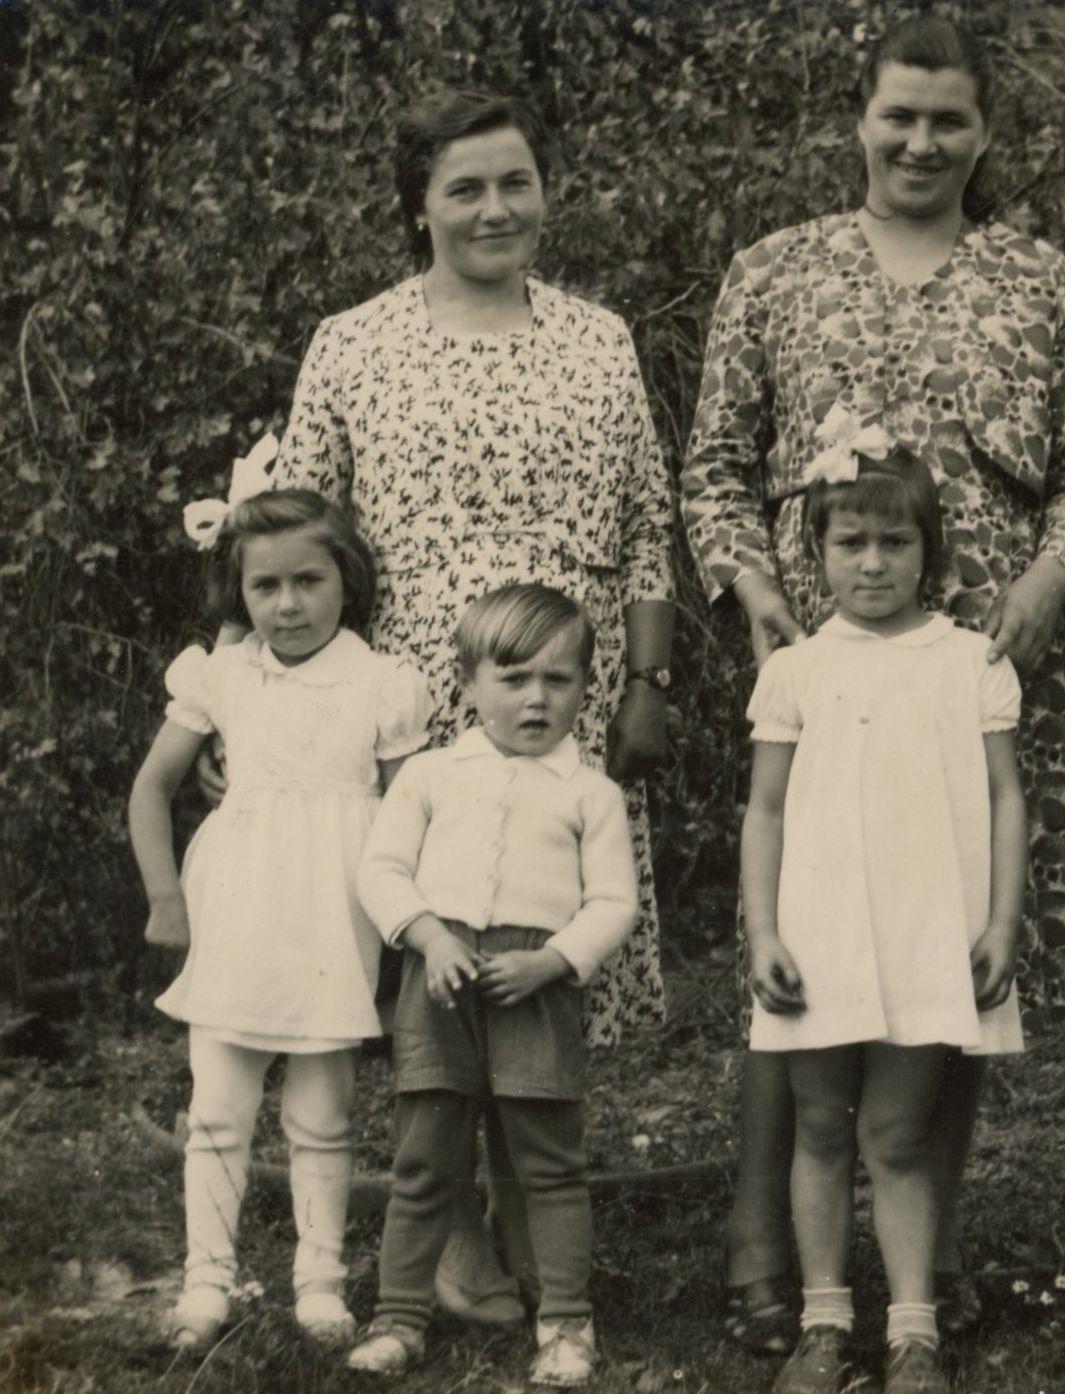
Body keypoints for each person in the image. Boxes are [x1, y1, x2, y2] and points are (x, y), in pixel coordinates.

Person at [679, 15, 1065, 1349]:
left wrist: (1047, 585)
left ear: (984, 132)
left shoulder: (1039, 280)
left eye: (947, 120)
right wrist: (753, 590)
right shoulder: (776, 270)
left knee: (942, 956)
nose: (920, 142)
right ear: (858, 120)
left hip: (976, 670)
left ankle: (932, 1258)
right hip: (820, 673)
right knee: (807, 946)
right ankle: (771, 1258)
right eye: (898, 116)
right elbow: (713, 467)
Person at [270, 89, 677, 1319]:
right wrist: (271, 703)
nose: (496, 208)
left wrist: (646, 682)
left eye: (515, 182)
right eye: (465, 187)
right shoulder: (353, 343)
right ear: (418, 207)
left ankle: (522, 1208)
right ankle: (446, 1231)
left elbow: (646, 525)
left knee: (540, 952)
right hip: (420, 711)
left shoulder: (598, 338)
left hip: (562, 697)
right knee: (437, 968)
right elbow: (295, 535)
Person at [741, 435, 1026, 1394]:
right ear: (816, 551)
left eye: (894, 544)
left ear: (927, 552)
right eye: (850, 543)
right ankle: (823, 1322)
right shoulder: (795, 670)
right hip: (820, 931)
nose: (872, 564)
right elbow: (766, 810)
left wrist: (999, 925)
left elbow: (1005, 799)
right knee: (821, 1126)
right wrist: (763, 933)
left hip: (925, 929)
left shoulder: (970, 661)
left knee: (898, 1135)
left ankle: (913, 1331)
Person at [128, 483, 431, 1350]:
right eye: (266, 586)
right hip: (238, 911)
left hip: (335, 917)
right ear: (239, 591)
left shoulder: (381, 683)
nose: (288, 604)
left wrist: (406, 924)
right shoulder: (221, 676)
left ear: (347, 580)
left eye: (308, 581)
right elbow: (151, 788)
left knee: (323, 1117)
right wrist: (164, 896)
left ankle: (319, 1285)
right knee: (218, 1112)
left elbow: (409, 814)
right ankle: (206, 1285)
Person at [345, 584, 638, 1387]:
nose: (536, 699)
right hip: (439, 989)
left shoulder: (591, 793)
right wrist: (429, 935)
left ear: (586, 686)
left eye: (558, 679)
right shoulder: (431, 776)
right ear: (469, 683)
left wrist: (556, 961)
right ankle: (398, 1318)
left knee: (548, 1164)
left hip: (534, 992)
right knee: (424, 1161)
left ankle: (566, 1323)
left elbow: (615, 902)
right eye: (513, 679)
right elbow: (380, 870)